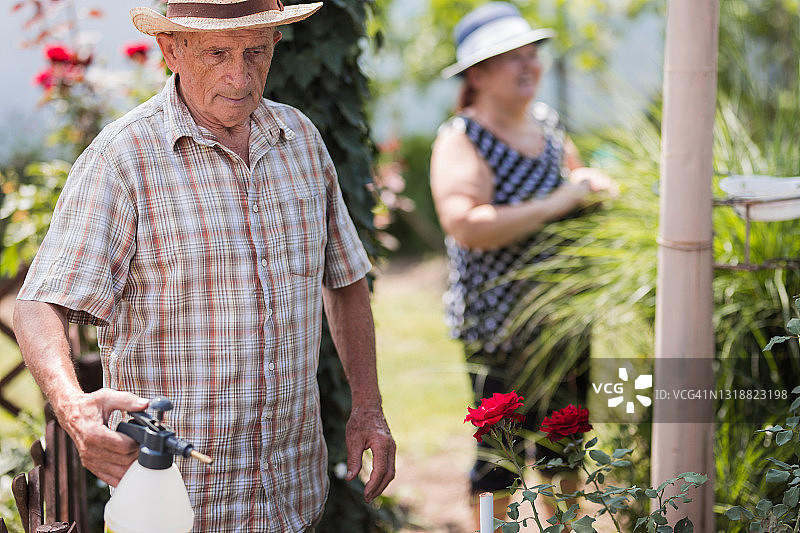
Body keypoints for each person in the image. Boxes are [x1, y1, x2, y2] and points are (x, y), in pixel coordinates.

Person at [13, 1, 395, 531]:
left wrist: (368, 408)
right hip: (173, 508)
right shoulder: (124, 158)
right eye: (218, 52)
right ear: (172, 49)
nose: (240, 76)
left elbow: (346, 279)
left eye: (256, 51)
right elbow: (38, 305)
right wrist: (73, 408)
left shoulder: (302, 141)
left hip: (294, 496)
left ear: (275, 45)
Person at [430, 1, 617, 524]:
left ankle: (562, 525)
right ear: (478, 74)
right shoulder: (463, 139)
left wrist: (594, 190)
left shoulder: (549, 126)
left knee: (565, 445)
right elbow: (466, 223)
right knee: (501, 459)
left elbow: (577, 181)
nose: (528, 65)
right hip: (500, 332)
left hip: (562, 326)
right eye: (511, 57)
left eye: (531, 53)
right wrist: (557, 202)